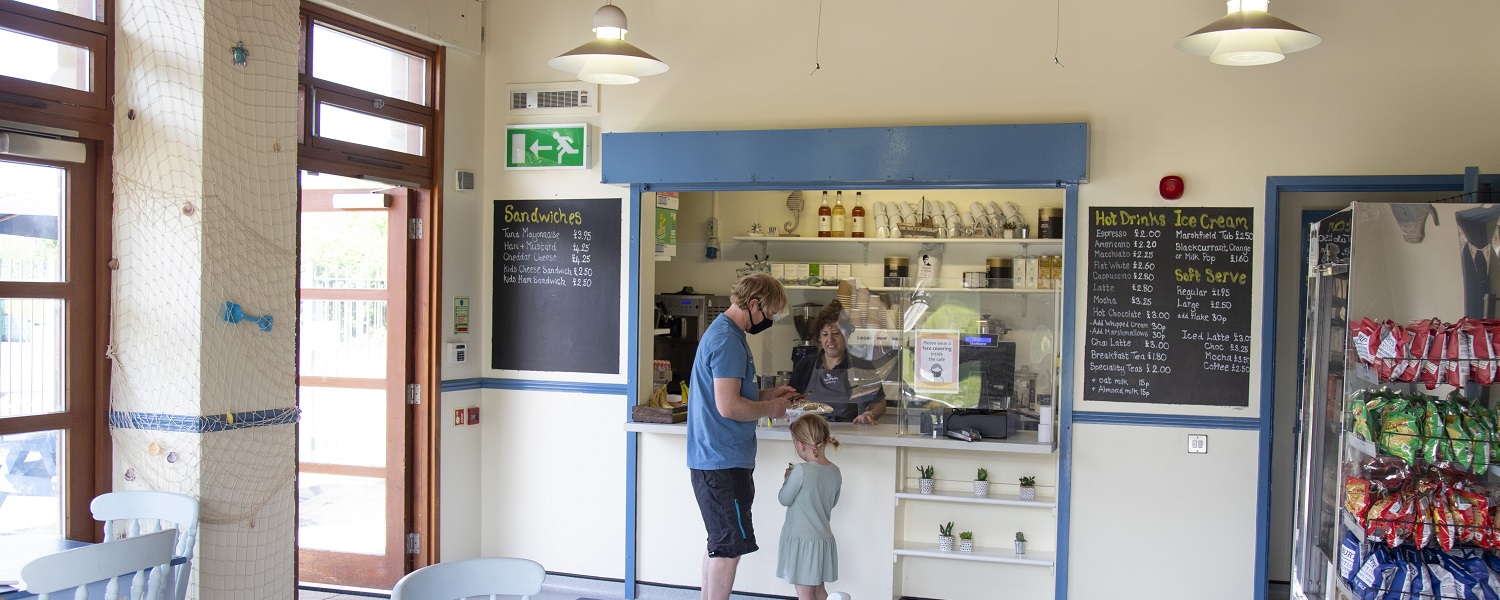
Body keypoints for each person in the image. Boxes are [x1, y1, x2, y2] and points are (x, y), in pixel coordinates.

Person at [687, 272, 799, 600]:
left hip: (717, 458)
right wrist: (772, 410)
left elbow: (734, 395)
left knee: (720, 544)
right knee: (728, 547)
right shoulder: (727, 340)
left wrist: (769, 395)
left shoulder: (728, 335)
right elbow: (729, 406)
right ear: (753, 304)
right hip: (722, 460)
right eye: (768, 313)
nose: (769, 321)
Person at [777, 414, 843, 600]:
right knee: (819, 590)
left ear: (800, 444)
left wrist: (787, 478)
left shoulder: (800, 471)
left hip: (802, 541)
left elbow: (784, 499)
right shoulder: (835, 471)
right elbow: (833, 502)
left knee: (804, 593)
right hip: (822, 540)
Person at [788, 301, 886, 425]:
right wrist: (792, 411)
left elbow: (879, 403)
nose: (830, 340)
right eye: (824, 334)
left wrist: (869, 414)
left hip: (853, 433)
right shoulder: (805, 365)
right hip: (811, 434)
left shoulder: (863, 366)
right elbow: (790, 399)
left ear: (846, 335)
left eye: (835, 334)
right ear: (819, 338)